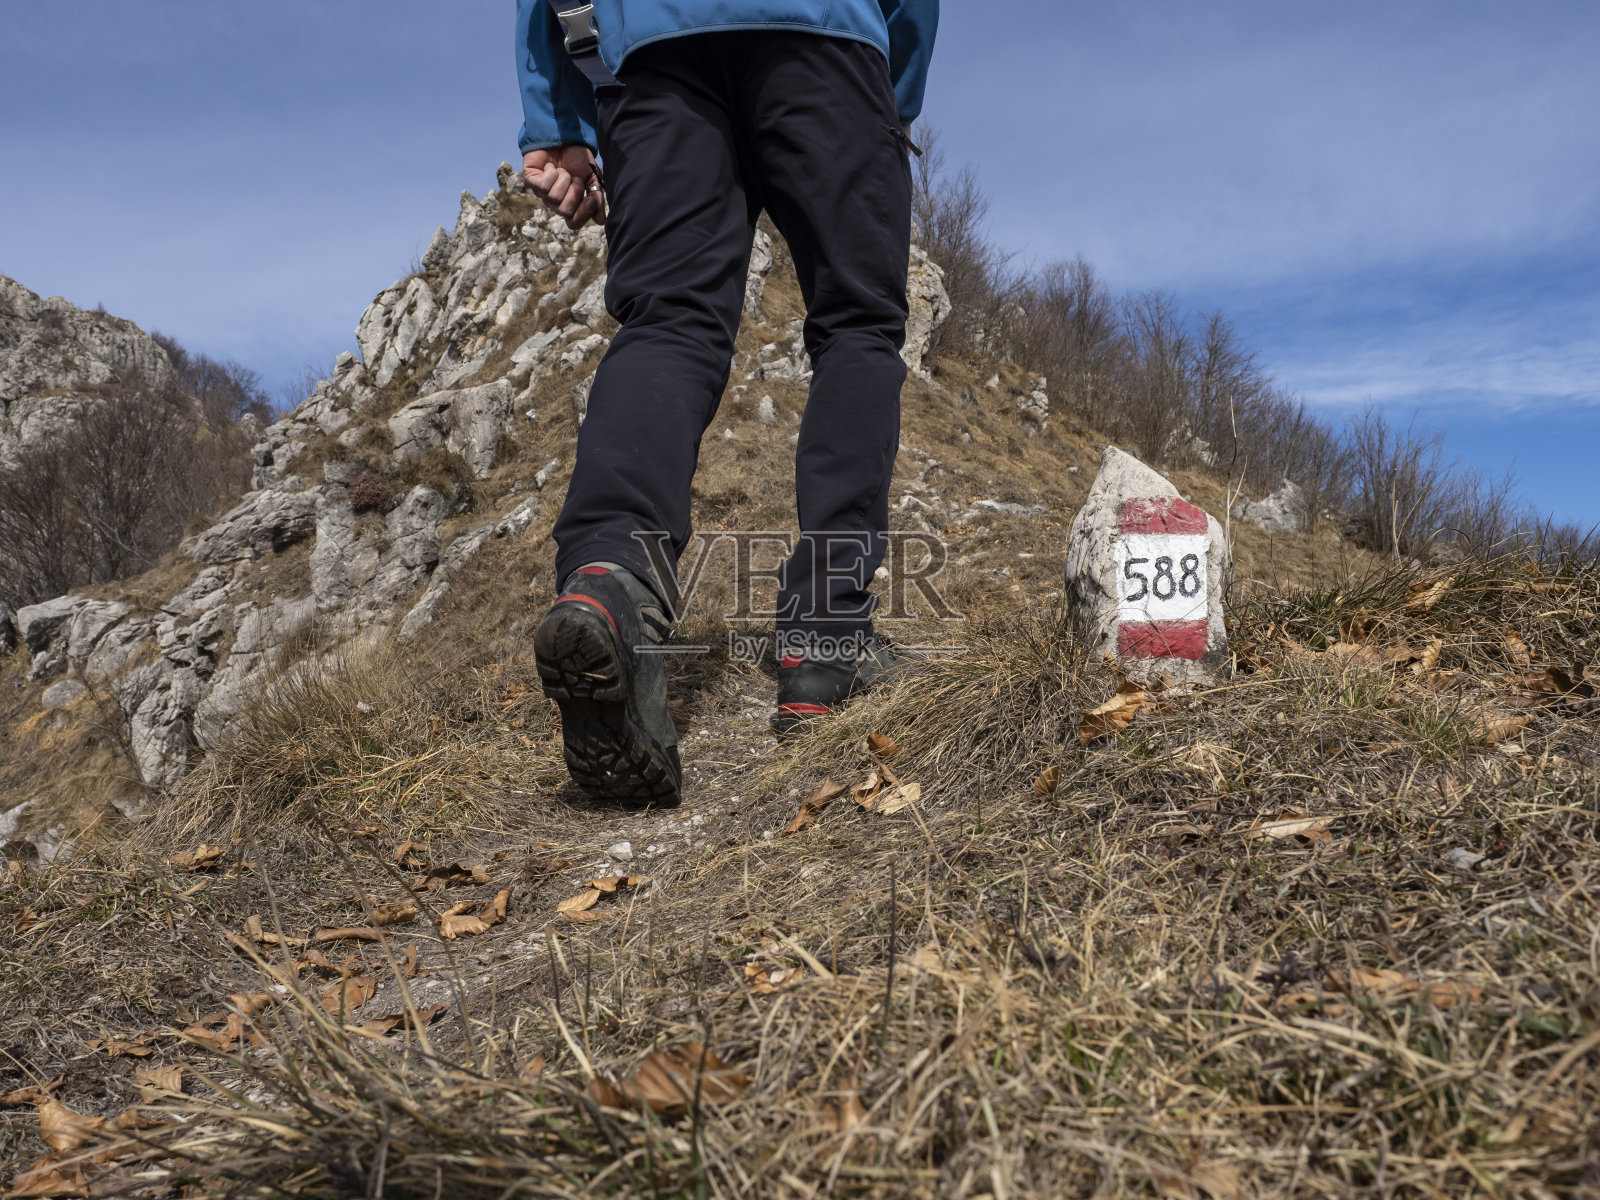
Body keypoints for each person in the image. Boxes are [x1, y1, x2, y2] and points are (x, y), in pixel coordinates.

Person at [517, 0, 939, 807]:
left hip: (652, 51)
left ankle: (610, 578)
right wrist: (898, 87)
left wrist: (555, 113)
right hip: (825, 37)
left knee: (668, 320)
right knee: (858, 326)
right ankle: (826, 642)